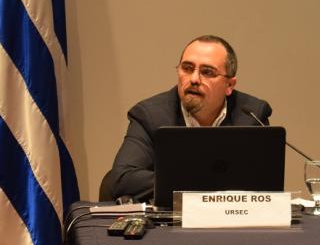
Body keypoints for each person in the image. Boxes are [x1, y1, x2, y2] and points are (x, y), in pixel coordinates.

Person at [106, 35, 272, 202]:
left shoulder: (252, 116)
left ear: (229, 85)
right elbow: (123, 179)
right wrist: (205, 183)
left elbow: (266, 184)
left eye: (207, 72)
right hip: (172, 224)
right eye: (187, 68)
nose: (193, 79)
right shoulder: (150, 116)